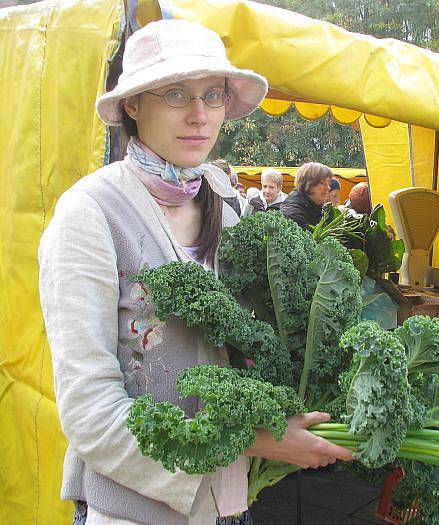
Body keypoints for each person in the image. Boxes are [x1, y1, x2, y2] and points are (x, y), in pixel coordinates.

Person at [38, 19, 352, 525]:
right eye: (176, 94)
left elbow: (245, 343)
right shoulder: (89, 214)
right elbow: (90, 413)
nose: (199, 115)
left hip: (232, 503)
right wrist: (258, 439)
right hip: (134, 511)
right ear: (133, 104)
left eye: (213, 95)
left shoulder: (225, 202)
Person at [280, 162, 332, 229]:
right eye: (322, 183)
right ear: (308, 184)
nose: (328, 187)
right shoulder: (293, 214)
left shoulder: (314, 207)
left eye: (328, 183)